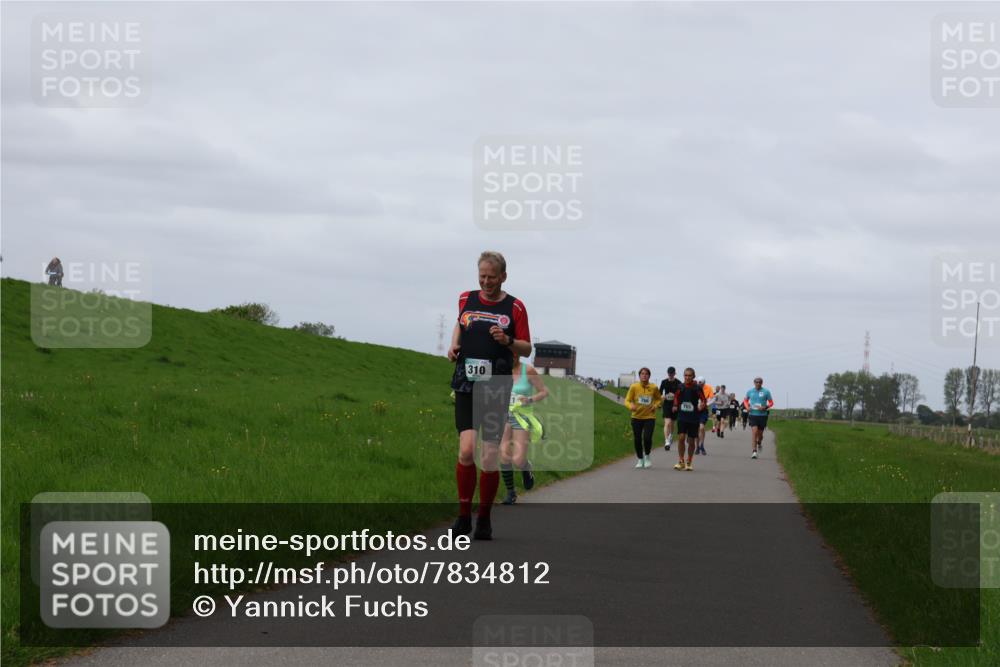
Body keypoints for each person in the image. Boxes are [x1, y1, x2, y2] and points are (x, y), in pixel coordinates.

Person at [448, 251, 531, 540]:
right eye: (482, 276)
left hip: (496, 384)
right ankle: (462, 516)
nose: (486, 281)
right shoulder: (465, 299)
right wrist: (453, 346)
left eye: (491, 277)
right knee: (467, 449)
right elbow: (461, 322)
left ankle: (483, 518)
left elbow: (526, 348)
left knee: (490, 454)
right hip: (467, 382)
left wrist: (507, 340)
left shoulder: (515, 307)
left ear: (503, 277)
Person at [499, 355, 548, 505]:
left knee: (518, 460)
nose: (511, 356)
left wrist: (529, 399)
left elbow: (544, 392)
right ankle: (511, 493)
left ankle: (526, 468)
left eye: (514, 353)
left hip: (522, 417)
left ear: (519, 354)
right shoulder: (500, 368)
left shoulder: (528, 370)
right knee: (504, 454)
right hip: (503, 415)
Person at [625, 367, 662, 468]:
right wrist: (630, 406)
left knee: (647, 438)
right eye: (642, 374)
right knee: (637, 439)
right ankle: (640, 459)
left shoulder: (654, 387)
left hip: (649, 417)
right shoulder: (634, 387)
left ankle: (647, 456)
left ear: (649, 376)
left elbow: (659, 399)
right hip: (636, 417)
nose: (644, 375)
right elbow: (627, 400)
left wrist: (655, 406)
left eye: (646, 374)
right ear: (639, 375)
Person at [672, 368, 706, 471]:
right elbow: (676, 397)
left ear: (693, 376)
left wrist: (702, 406)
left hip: (693, 417)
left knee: (691, 441)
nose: (687, 377)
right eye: (685, 375)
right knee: (681, 437)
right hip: (682, 416)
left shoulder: (697, 388)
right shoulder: (680, 387)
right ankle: (681, 460)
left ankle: (689, 461)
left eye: (689, 375)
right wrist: (675, 405)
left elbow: (703, 399)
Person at [744, 377, 774, 459]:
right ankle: (754, 451)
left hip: (762, 415)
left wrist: (765, 407)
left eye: (759, 382)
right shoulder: (750, 391)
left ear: (762, 383)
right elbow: (745, 401)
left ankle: (759, 442)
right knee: (754, 432)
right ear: (754, 383)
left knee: (760, 434)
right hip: (753, 414)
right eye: (756, 382)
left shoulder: (766, 392)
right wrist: (747, 407)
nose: (758, 383)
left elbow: (771, 403)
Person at [659, 366, 682, 451]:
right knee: (667, 423)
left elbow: (680, 395)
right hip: (667, 405)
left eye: (672, 373)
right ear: (667, 373)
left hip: (675, 405)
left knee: (672, 424)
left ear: (674, 373)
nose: (670, 375)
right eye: (669, 373)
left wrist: (676, 404)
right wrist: (663, 397)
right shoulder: (664, 382)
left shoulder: (679, 383)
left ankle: (671, 435)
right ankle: (666, 441)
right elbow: (660, 393)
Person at [696, 377, 714, 454]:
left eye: (702, 383)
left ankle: (702, 445)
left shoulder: (709, 388)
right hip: (695, 410)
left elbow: (712, 398)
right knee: (696, 429)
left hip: (704, 410)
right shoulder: (694, 388)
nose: (700, 385)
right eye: (699, 383)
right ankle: (697, 447)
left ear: (704, 383)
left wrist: (705, 404)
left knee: (702, 427)